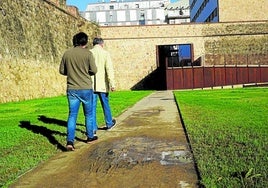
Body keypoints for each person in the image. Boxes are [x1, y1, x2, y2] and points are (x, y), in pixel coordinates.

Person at [59, 32, 98, 151]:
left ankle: (70, 142)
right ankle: (90, 136)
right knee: (88, 114)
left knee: (72, 115)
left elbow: (62, 70)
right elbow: (94, 70)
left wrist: (71, 73)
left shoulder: (67, 54)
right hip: (86, 88)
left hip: (72, 89)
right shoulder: (88, 54)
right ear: (85, 42)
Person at [90, 37, 116, 133]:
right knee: (105, 104)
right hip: (103, 85)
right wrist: (112, 83)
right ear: (102, 44)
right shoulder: (105, 54)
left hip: (91, 85)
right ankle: (109, 123)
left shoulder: (89, 53)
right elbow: (109, 69)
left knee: (92, 106)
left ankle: (92, 128)